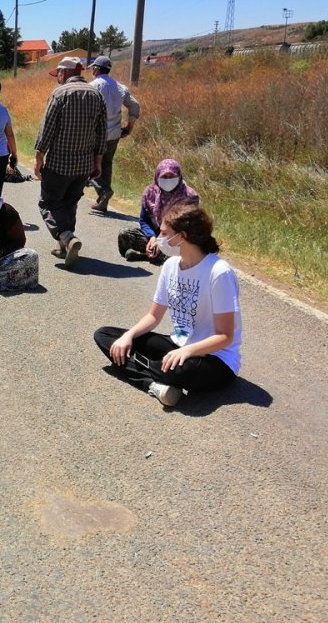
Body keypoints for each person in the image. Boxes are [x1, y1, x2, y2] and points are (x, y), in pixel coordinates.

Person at [94, 204, 242, 407]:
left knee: (179, 370)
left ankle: (147, 372)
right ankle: (154, 384)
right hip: (178, 344)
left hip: (215, 358)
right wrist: (128, 335)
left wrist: (188, 351)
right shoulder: (170, 265)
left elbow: (225, 336)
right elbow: (154, 316)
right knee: (106, 336)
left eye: (164, 233)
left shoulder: (219, 272)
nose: (158, 238)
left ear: (181, 236)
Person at [33, 57, 107, 268]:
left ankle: (66, 236)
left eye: (57, 73)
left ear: (63, 73)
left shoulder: (60, 93)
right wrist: (98, 161)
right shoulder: (96, 95)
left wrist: (39, 158)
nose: (57, 77)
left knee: (48, 203)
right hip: (83, 165)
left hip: (59, 163)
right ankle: (64, 246)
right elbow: (101, 132)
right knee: (69, 204)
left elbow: (47, 129)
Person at [119, 159, 200, 265]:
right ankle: (152, 254)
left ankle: (147, 255)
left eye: (171, 176)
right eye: (164, 177)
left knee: (177, 254)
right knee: (125, 234)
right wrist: (152, 238)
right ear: (157, 176)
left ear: (179, 176)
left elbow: (187, 226)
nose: (168, 180)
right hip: (155, 235)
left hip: (176, 238)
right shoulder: (149, 193)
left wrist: (161, 241)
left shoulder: (189, 196)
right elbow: (144, 220)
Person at [87, 56, 140, 212]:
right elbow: (135, 105)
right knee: (106, 164)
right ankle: (102, 201)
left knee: (88, 163)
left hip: (95, 134)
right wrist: (129, 127)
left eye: (93, 68)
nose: (92, 70)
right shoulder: (120, 87)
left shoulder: (92, 87)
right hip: (114, 133)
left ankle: (104, 190)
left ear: (97, 69)